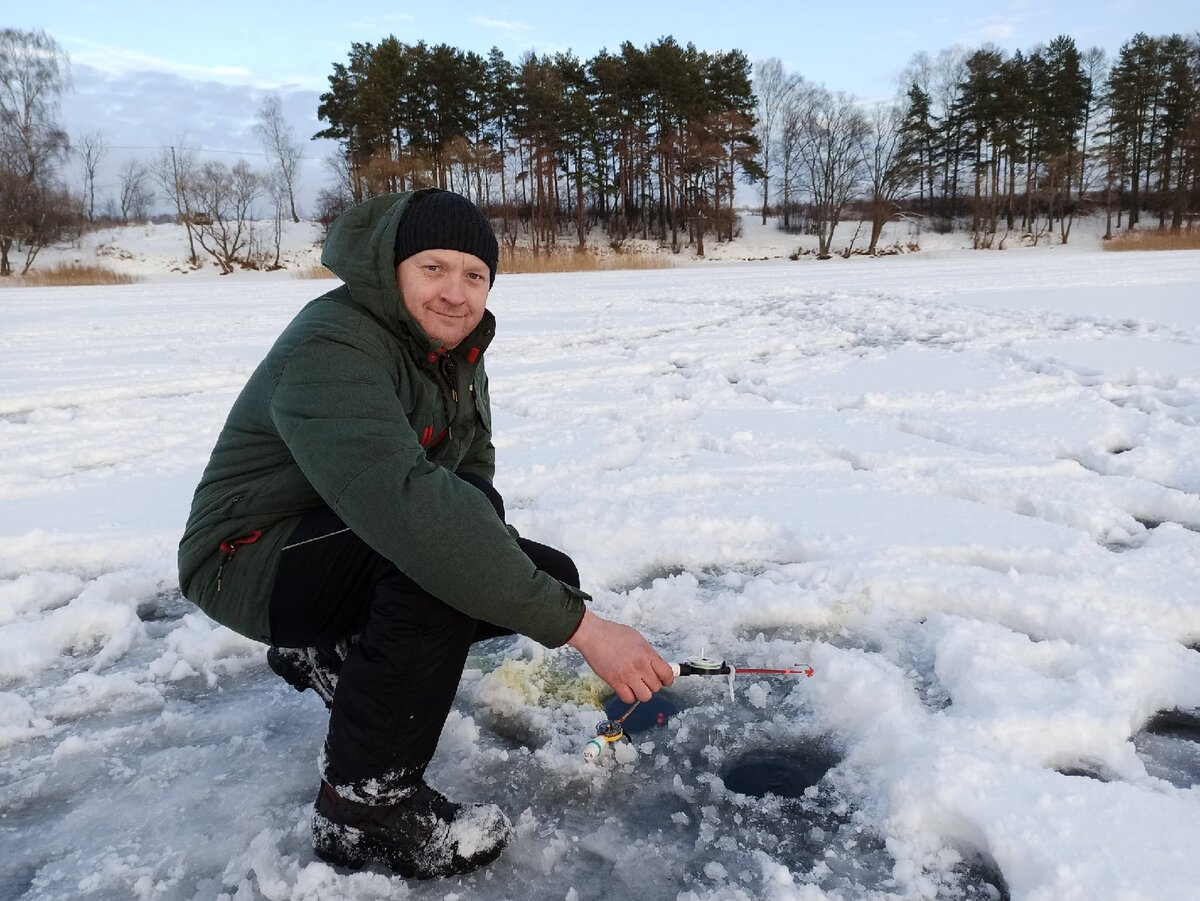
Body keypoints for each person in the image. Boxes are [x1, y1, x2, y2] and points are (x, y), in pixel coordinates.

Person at [177, 188, 674, 880]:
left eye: (475, 275)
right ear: (391, 268)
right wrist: (586, 630)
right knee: (439, 564)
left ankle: (336, 649)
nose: (456, 292)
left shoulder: (454, 352)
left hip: (336, 536)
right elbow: (420, 518)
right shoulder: (333, 344)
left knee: (533, 565)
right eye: (433, 268)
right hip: (248, 556)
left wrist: (529, 585)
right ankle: (362, 811)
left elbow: (470, 480)